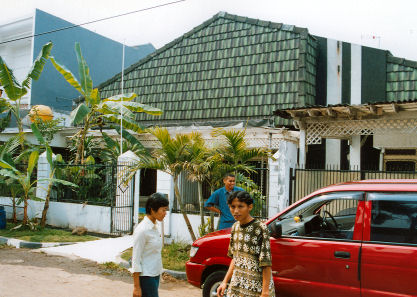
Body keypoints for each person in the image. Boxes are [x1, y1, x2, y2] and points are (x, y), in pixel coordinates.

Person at [217, 191, 275, 297]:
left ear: (250, 207)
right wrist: (225, 281)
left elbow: (266, 263)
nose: (236, 211)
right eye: (232, 206)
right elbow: (235, 257)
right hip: (238, 286)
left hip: (257, 288)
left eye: (240, 206)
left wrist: (265, 292)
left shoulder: (260, 228)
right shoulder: (235, 227)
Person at [132, 192, 169, 297]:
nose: (165, 213)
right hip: (146, 277)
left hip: (155, 274)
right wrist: (136, 287)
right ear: (153, 209)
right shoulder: (142, 230)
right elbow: (135, 259)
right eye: (163, 210)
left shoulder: (154, 227)